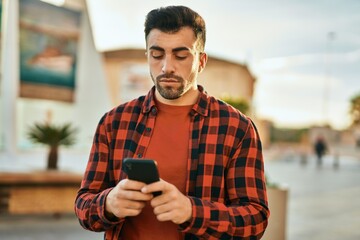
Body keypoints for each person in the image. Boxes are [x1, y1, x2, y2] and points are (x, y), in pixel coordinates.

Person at [75, 5, 269, 239]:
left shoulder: (237, 128)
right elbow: (84, 207)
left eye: (181, 55)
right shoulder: (114, 122)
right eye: (157, 55)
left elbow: (255, 220)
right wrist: (108, 204)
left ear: (201, 61)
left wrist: (191, 211)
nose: (167, 67)